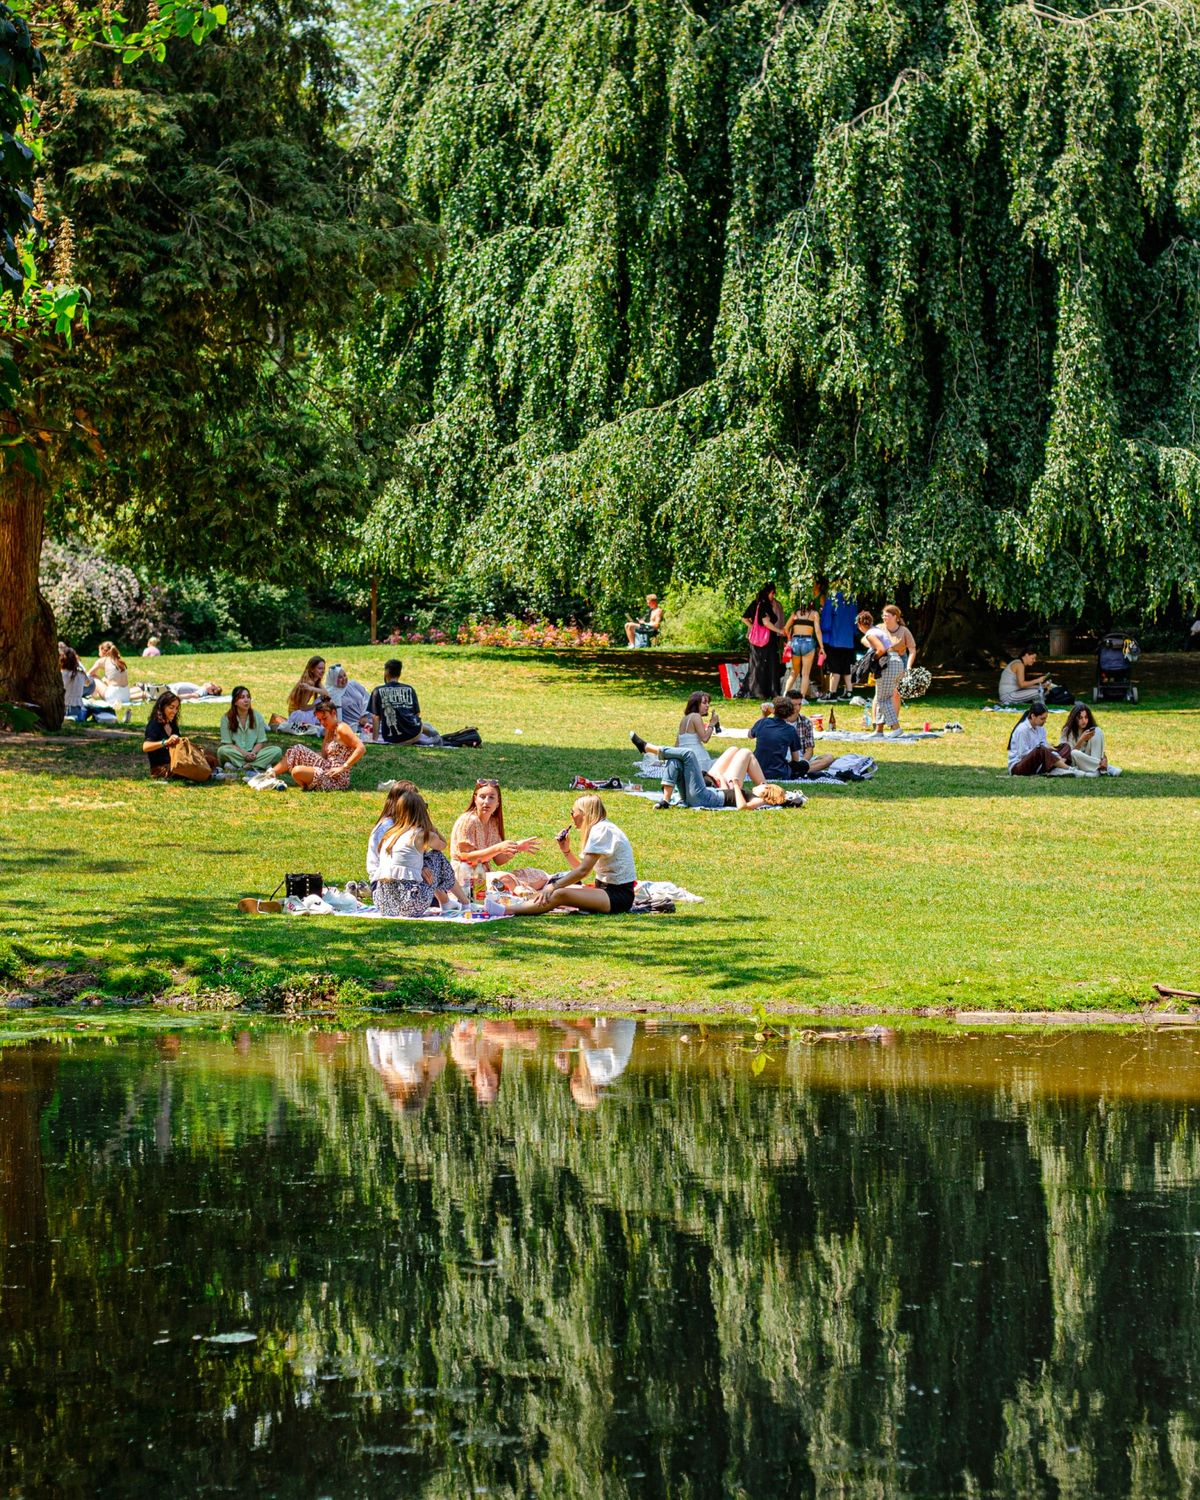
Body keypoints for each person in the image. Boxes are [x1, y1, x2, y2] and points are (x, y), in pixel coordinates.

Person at [505, 795, 638, 914]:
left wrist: (553, 886)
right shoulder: (601, 828)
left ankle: (506, 910)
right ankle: (519, 904)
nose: (571, 816)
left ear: (584, 813)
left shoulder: (602, 830)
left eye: (573, 812)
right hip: (605, 890)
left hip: (617, 896)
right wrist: (566, 850)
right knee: (562, 889)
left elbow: (583, 871)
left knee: (560, 893)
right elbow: (582, 869)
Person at [630, 732, 787, 809]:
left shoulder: (760, 800)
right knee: (675, 761)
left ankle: (649, 748)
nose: (761, 784)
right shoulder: (753, 795)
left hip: (706, 797)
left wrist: (736, 785)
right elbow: (727, 795)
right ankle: (665, 801)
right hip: (704, 796)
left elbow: (742, 807)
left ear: (768, 792)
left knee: (689, 754)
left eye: (765, 786)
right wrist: (727, 783)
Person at [374, 788, 465, 916]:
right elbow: (442, 845)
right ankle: (464, 902)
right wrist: (431, 826)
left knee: (425, 861)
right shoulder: (422, 835)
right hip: (411, 904)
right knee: (437, 857)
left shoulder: (390, 834)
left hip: (384, 904)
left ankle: (446, 902)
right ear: (422, 811)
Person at [449, 779, 541, 893]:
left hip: (485, 874)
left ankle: (518, 889)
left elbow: (499, 860)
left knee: (537, 875)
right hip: (465, 878)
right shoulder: (469, 821)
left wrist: (516, 847)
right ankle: (520, 892)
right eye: (482, 797)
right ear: (475, 799)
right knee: (505, 879)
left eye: (491, 797)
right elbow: (465, 858)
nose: (486, 802)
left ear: (498, 803)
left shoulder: (493, 823)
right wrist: (498, 848)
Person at [265, 694, 365, 790]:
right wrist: (306, 755)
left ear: (334, 713)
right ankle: (269, 775)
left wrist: (343, 767)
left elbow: (361, 748)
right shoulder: (330, 729)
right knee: (297, 749)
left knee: (297, 771)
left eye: (324, 718)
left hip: (336, 777)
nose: (322, 723)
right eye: (320, 720)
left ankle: (309, 783)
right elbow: (324, 755)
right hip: (326, 766)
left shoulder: (342, 728)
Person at [366, 1027, 447, 1113]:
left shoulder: (425, 1077)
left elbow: (371, 1033)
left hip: (401, 1030)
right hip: (394, 1030)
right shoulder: (382, 1069)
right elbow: (370, 1032)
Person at [141, 690, 218, 779]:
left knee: (207, 756)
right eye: (171, 707)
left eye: (176, 708)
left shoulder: (172, 724)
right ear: (162, 707)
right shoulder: (154, 724)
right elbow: (145, 747)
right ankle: (212, 775)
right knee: (190, 767)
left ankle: (213, 771)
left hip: (178, 761)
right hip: (162, 768)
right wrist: (166, 742)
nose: (174, 711)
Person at [858, 609, 905, 735]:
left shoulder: (870, 634)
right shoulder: (877, 630)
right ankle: (879, 730)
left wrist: (871, 660)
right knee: (881, 697)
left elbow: (881, 649)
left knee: (883, 699)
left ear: (860, 625)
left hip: (889, 663)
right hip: (896, 662)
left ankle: (896, 728)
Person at [217, 686, 277, 775]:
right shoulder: (226, 718)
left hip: (254, 753)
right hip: (237, 753)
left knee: (276, 751)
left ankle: (240, 766)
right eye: (242, 697)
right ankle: (258, 765)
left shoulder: (257, 716)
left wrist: (252, 753)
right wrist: (245, 754)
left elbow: (260, 742)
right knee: (222, 751)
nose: (246, 700)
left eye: (248, 697)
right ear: (235, 702)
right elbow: (228, 744)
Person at [741, 583, 786, 698]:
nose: (773, 596)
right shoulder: (765, 605)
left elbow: (744, 618)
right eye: (772, 593)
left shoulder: (755, 603)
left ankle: (755, 690)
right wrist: (779, 631)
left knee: (756, 665)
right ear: (767, 593)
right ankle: (768, 691)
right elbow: (766, 623)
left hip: (755, 641)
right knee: (770, 664)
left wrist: (753, 628)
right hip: (768, 641)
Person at [817, 581, 859, 700]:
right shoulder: (852, 599)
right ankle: (849, 692)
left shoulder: (832, 599)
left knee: (834, 668)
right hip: (848, 640)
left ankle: (832, 693)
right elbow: (855, 621)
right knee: (846, 668)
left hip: (835, 639)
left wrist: (823, 630)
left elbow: (826, 622)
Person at [1007, 701, 1073, 775]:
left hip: (1038, 762)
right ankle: (1068, 768)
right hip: (1018, 767)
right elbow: (1022, 754)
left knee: (1065, 746)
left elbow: (1044, 746)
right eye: (1042, 718)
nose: (1045, 721)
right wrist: (1045, 751)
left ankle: (1057, 765)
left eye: (1045, 718)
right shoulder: (1022, 730)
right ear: (1033, 716)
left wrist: (1053, 753)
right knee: (1040, 749)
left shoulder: (1041, 728)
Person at [367, 659, 423, 745]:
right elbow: (417, 714)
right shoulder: (409, 689)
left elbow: (375, 717)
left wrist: (375, 740)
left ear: (386, 672)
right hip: (413, 734)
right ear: (399, 673)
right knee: (427, 727)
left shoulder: (377, 691)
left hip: (391, 738)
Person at [782, 595, 824, 701]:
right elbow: (817, 631)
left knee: (794, 672)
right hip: (808, 642)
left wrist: (789, 639)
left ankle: (785, 695)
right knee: (805, 673)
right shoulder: (814, 614)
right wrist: (822, 647)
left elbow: (786, 628)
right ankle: (802, 698)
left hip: (795, 642)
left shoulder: (795, 613)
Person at [270, 655, 326, 732]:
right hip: (297, 715)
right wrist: (317, 706)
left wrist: (312, 689)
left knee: (324, 700)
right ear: (312, 669)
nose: (323, 671)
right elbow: (303, 707)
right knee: (322, 706)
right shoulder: (309, 682)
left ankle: (321, 725)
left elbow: (327, 695)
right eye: (320, 668)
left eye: (323, 668)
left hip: (298, 713)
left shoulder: (315, 681)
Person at [675, 691, 721, 771]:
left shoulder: (684, 719)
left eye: (708, 703)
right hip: (699, 761)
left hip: (686, 762)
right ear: (696, 704)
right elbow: (705, 738)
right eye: (704, 703)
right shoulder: (696, 716)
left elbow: (677, 745)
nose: (707, 705)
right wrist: (712, 724)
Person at [87, 641, 131, 720]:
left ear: (103, 651)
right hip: (126, 696)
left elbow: (88, 674)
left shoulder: (103, 660)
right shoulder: (119, 660)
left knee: (93, 677)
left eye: (99, 651)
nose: (98, 653)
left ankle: (91, 696)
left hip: (112, 696)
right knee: (104, 679)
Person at [1061, 702, 1109, 775]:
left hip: (1090, 759)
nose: (1084, 721)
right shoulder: (1067, 731)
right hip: (1076, 761)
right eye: (1080, 718)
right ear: (1074, 718)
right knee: (1074, 753)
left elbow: (1099, 749)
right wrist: (1082, 739)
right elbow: (1068, 756)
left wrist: (1105, 758)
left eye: (1086, 717)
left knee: (1098, 730)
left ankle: (1098, 767)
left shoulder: (1090, 729)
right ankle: (1102, 768)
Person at [324, 663, 371, 732]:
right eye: (340, 677)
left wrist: (364, 715)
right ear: (333, 679)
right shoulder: (330, 694)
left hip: (367, 716)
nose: (344, 679)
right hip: (351, 726)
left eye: (344, 675)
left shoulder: (353, 684)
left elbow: (367, 697)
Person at [60, 645, 99, 722]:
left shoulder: (61, 673)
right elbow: (88, 684)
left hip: (62, 707)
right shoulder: (80, 673)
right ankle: (75, 718)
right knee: (86, 709)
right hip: (76, 708)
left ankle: (70, 718)